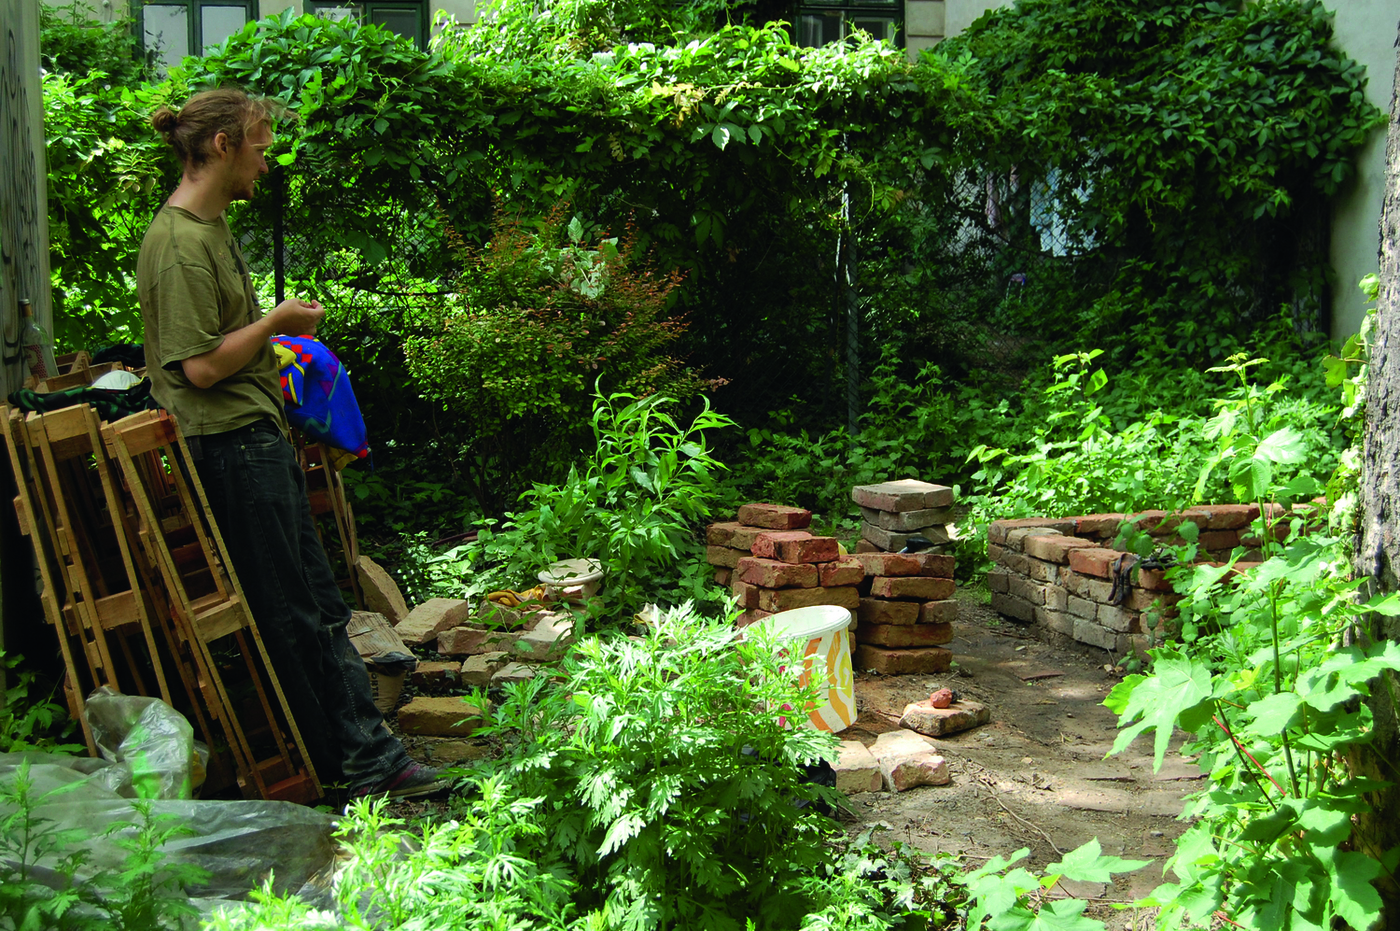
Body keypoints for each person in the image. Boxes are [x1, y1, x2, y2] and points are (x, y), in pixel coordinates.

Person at [138, 86, 446, 801]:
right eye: (260, 148)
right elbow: (200, 367)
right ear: (223, 146)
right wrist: (278, 323)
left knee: (318, 602)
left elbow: (224, 349)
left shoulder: (207, 229)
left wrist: (286, 352)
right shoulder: (180, 245)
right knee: (293, 611)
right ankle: (356, 764)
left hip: (254, 436)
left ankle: (363, 753)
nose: (265, 165)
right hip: (231, 447)